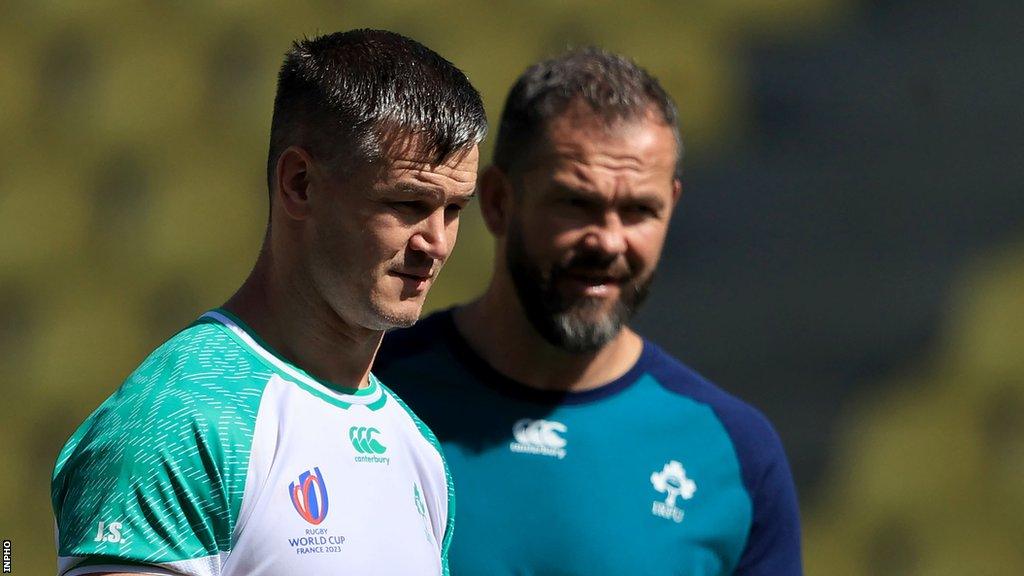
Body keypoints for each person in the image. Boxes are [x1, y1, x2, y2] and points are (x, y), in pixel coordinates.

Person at [50, 29, 486, 576]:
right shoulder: (178, 419)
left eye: (454, 210)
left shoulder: (414, 443)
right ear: (300, 183)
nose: (436, 243)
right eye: (406, 202)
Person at [375, 48, 803, 575]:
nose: (609, 241)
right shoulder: (367, 394)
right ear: (497, 200)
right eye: (577, 203)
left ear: (672, 204)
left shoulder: (735, 454)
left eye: (640, 211)